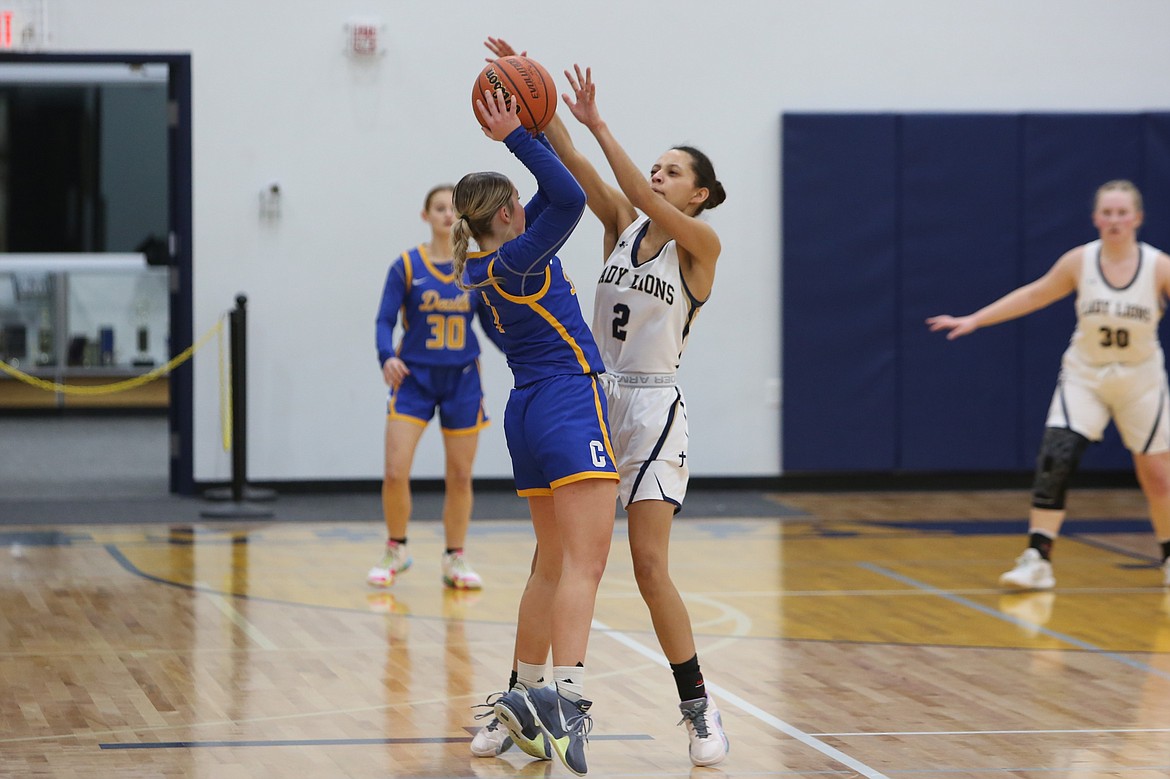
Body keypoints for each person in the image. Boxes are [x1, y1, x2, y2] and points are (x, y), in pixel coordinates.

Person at [476, 37, 731, 768]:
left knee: (648, 567)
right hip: (588, 397)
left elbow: (630, 187)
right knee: (549, 559)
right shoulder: (621, 226)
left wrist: (597, 123)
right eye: (657, 166)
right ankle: (518, 704)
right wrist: (540, 99)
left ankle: (698, 706)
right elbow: (577, 174)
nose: (660, 175)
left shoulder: (700, 247)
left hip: (653, 412)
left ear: (700, 194)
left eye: (674, 170)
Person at [458, 84, 619, 777]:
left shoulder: (479, 270)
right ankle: (570, 703)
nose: (531, 203)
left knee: (548, 564)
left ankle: (515, 702)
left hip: (525, 409)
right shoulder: (522, 260)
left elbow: (554, 195)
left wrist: (541, 117)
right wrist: (519, 134)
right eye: (518, 202)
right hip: (564, 399)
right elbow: (573, 199)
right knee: (584, 565)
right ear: (506, 212)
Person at [927, 179, 1170, 591]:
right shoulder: (1080, 261)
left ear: (1137, 218)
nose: (1114, 220)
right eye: (1107, 213)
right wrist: (976, 318)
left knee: (1157, 474)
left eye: (1121, 213)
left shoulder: (1158, 266)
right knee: (1056, 455)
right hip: (1086, 374)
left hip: (1140, 379)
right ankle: (1037, 558)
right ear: (1095, 218)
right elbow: (1034, 295)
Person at [367, 184, 506, 591]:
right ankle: (396, 548)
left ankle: (455, 558)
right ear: (425, 215)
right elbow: (383, 321)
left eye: (454, 208)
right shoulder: (407, 266)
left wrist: (525, 353)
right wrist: (385, 356)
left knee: (460, 476)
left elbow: (492, 327)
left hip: (461, 379)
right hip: (414, 379)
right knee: (395, 471)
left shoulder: (474, 268)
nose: (448, 214)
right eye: (440, 208)